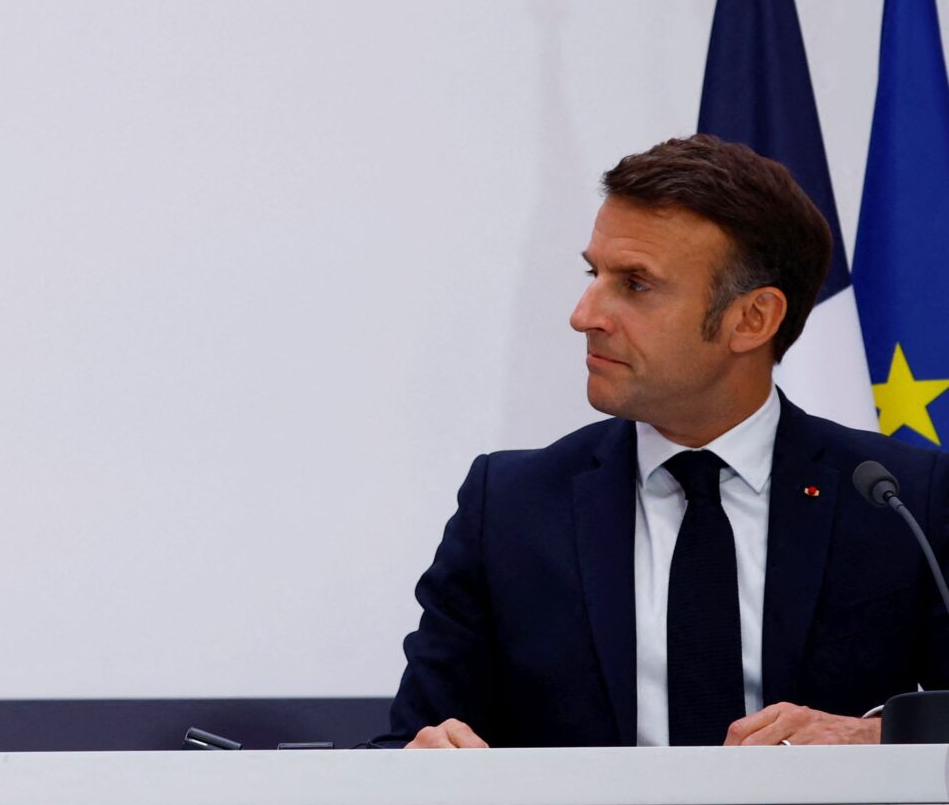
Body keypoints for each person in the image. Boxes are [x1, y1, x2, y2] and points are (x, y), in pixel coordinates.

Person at [391, 134, 949, 748]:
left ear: (752, 319)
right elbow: (404, 747)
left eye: (635, 284)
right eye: (593, 272)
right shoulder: (511, 509)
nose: (584, 314)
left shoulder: (904, 503)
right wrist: (422, 758)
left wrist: (876, 741)